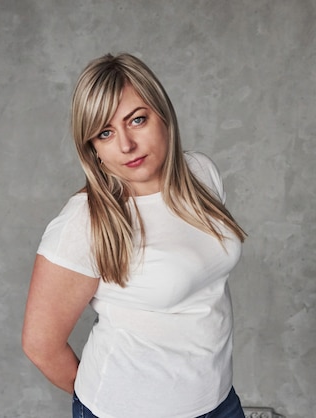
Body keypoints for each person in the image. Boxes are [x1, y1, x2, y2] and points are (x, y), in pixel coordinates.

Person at [21, 53, 248, 418]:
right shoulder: (85, 223)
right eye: (105, 133)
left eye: (137, 120)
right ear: (92, 148)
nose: (126, 145)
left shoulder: (201, 173)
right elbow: (40, 345)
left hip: (219, 401)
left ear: (163, 115)